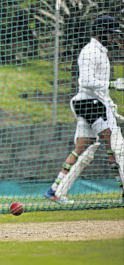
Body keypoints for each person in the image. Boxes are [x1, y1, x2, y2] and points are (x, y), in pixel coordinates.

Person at [44, 15, 124, 205]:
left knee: (84, 149)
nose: (115, 38)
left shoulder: (101, 52)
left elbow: (96, 87)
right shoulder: (90, 52)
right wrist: (113, 84)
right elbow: (85, 82)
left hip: (90, 104)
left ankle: (55, 190)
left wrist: (109, 101)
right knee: (118, 147)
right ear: (101, 32)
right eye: (112, 34)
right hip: (91, 105)